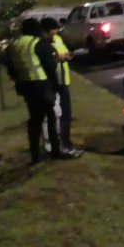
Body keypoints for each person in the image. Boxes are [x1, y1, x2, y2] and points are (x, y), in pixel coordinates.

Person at [6, 18, 80, 162]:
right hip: (42, 84)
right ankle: (56, 150)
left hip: (26, 86)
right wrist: (54, 86)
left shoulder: (13, 45)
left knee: (34, 121)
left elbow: (11, 69)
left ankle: (35, 156)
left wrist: (19, 81)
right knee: (51, 117)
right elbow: (50, 66)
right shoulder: (38, 43)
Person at [42, 17, 80, 154]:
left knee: (66, 114)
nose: (56, 33)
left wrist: (67, 56)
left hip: (63, 81)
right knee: (56, 115)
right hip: (53, 83)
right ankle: (57, 144)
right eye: (53, 31)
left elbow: (61, 52)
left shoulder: (57, 39)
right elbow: (47, 60)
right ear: (45, 31)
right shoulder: (42, 44)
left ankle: (66, 142)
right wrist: (59, 58)